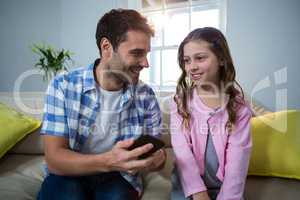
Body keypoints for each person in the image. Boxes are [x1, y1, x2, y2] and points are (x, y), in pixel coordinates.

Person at [38, 9, 166, 200]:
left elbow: (158, 151)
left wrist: (156, 159)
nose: (145, 63)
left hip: (119, 177)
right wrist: (109, 161)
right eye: (137, 53)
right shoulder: (63, 85)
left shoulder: (145, 95)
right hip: (69, 174)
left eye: (146, 54)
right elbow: (55, 159)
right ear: (106, 47)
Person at [170, 27, 252, 200]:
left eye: (200, 58)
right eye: (187, 60)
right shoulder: (180, 102)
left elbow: (237, 165)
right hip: (188, 189)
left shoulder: (239, 109)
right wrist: (199, 194)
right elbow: (181, 150)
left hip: (225, 190)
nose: (191, 67)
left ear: (221, 59)